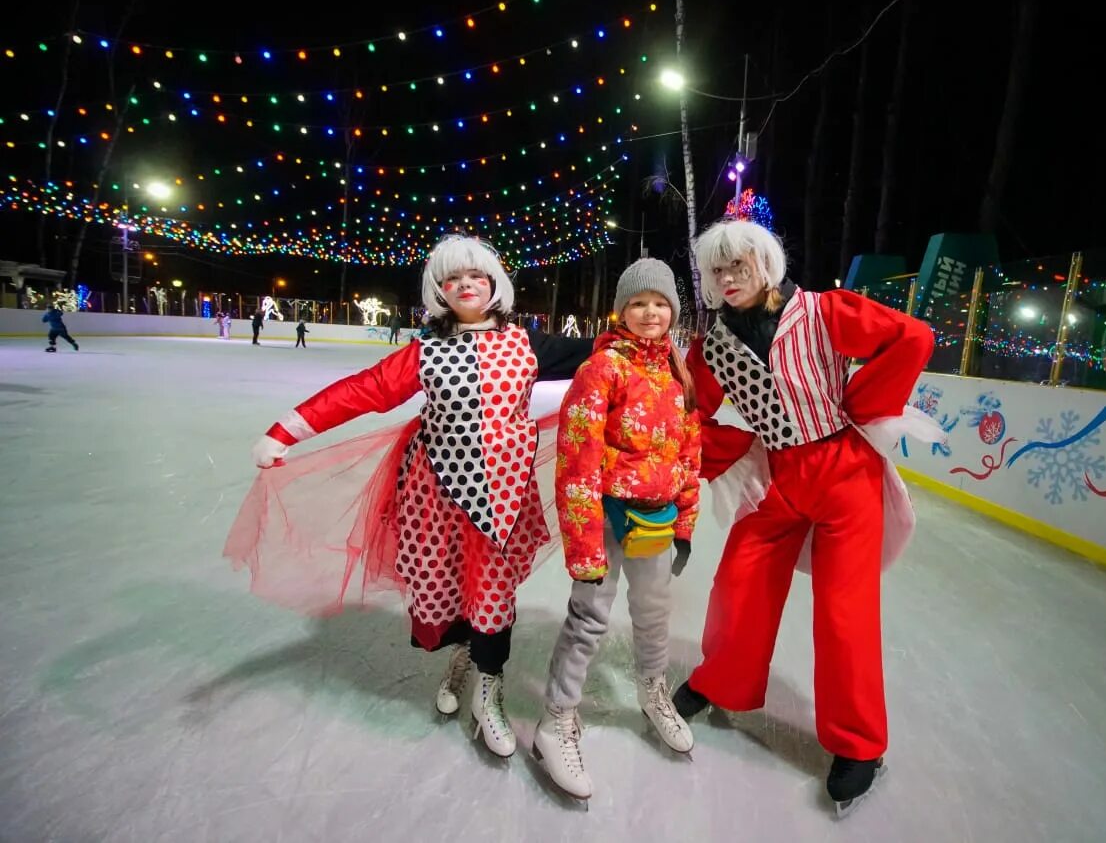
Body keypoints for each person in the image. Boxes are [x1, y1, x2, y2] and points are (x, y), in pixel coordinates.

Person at [226, 235, 592, 760]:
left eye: (477, 276)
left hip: (503, 495)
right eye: (453, 279)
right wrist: (286, 431)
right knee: (444, 588)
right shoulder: (426, 350)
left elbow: (604, 355)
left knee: (493, 595)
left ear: (494, 286)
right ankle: (464, 652)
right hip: (435, 494)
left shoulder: (526, 344)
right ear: (441, 291)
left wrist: (660, 344)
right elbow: (363, 390)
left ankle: (490, 690)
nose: (466, 284)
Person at [671, 220, 939, 818]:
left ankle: (860, 746)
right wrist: (734, 450)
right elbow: (689, 414)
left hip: (845, 473)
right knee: (738, 584)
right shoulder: (711, 344)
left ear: (765, 262)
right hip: (779, 477)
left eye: (739, 265)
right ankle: (721, 681)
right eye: (718, 271)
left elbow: (913, 338)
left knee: (845, 614)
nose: (729, 278)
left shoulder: (822, 311)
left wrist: (862, 407)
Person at [533, 259, 701, 802]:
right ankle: (555, 719)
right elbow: (576, 462)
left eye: (660, 303)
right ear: (621, 310)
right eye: (638, 303)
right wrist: (583, 547)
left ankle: (653, 692)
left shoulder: (678, 371)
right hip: (605, 517)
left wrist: (686, 523)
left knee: (653, 617)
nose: (650, 313)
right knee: (589, 620)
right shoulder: (601, 367)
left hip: (658, 518)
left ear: (672, 310)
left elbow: (689, 453)